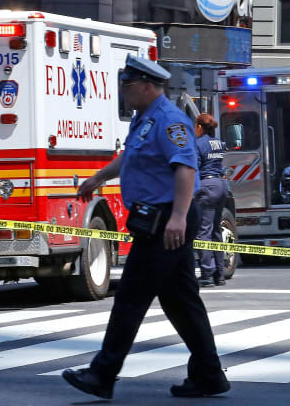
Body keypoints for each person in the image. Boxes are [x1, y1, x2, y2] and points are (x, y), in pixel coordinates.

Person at [63, 55, 229, 399]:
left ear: (148, 86)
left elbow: (185, 168)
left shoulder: (169, 120)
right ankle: (209, 374)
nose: (124, 93)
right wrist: (98, 177)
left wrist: (179, 218)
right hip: (159, 218)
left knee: (130, 297)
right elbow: (131, 157)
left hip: (166, 219)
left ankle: (102, 373)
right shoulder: (144, 120)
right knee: (180, 301)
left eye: (129, 86)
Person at [194, 113, 229, 288]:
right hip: (222, 185)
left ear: (199, 127)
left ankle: (207, 274)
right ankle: (220, 275)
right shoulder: (219, 143)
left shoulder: (198, 144)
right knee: (216, 231)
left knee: (203, 232)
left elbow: (195, 167)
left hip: (207, 186)